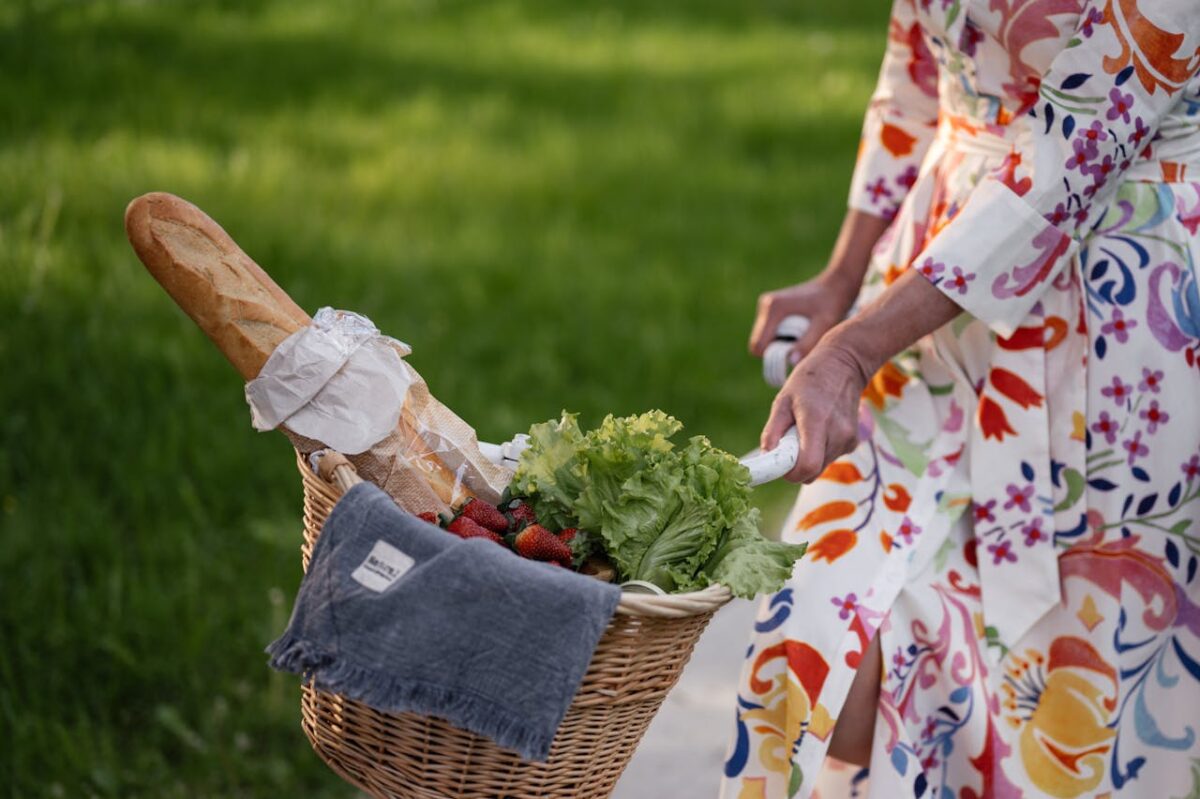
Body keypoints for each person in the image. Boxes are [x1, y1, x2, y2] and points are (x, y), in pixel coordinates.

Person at [720, 2, 1200, 797]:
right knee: (815, 613)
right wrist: (843, 279)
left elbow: (1065, 166)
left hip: (1120, 328)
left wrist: (852, 348)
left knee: (1073, 693)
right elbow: (915, 74)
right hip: (919, 306)